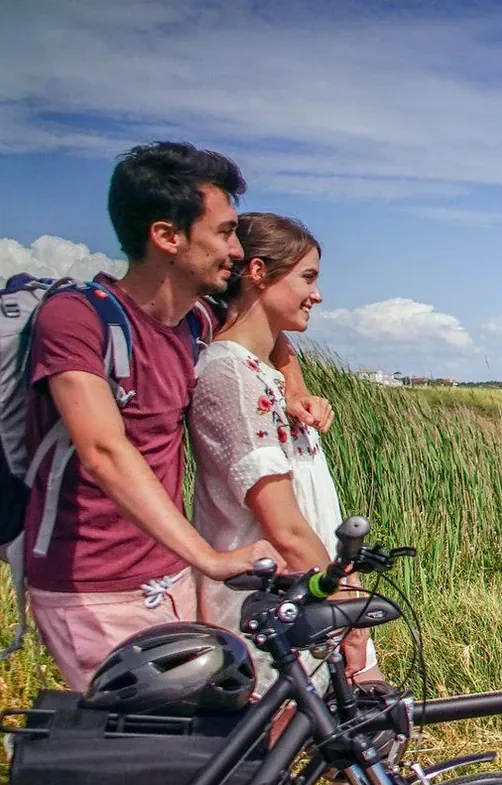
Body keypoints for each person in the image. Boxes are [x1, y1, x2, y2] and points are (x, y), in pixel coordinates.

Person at [21, 141, 285, 688]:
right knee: (152, 759)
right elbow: (103, 451)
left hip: (168, 575)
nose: (235, 250)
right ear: (167, 236)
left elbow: (267, 331)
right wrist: (209, 557)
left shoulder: (194, 324)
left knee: (201, 751)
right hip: (94, 586)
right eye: (224, 232)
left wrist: (299, 390)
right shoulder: (78, 319)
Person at [189, 212, 378, 685]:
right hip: (274, 617)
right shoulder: (230, 377)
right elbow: (284, 527)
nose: (318, 294)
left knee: (361, 743)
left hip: (310, 598)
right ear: (257, 273)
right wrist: (349, 623)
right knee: (303, 752)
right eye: (308, 278)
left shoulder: (267, 373)